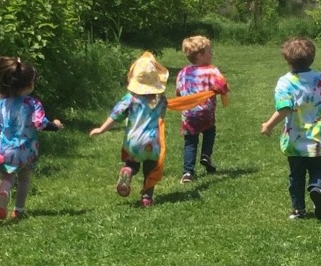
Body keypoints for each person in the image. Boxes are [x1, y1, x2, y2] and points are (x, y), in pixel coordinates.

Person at [260, 37, 321, 221]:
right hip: (319, 139)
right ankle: (317, 188)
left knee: (296, 176)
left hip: (295, 142)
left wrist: (268, 125)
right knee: (319, 170)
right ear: (312, 57)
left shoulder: (285, 82)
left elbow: (284, 108)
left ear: (288, 60)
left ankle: (298, 210)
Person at [89, 51, 169, 207]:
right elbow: (162, 118)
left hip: (132, 141)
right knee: (150, 169)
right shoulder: (161, 100)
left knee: (132, 163)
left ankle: (128, 171)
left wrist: (101, 129)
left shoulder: (130, 99)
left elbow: (115, 115)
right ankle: (147, 197)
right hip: (151, 142)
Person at [0, 56, 63, 220]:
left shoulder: (1, 103)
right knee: (24, 180)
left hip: (6, 148)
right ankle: (18, 210)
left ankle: (3, 193)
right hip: (27, 149)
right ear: (29, 84)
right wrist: (55, 125)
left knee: (7, 177)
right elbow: (40, 124)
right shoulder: (32, 103)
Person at [175, 35, 229, 183]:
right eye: (209, 51)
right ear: (200, 55)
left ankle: (187, 173)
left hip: (188, 114)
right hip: (206, 112)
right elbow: (222, 86)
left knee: (190, 142)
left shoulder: (183, 72)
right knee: (209, 131)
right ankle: (206, 155)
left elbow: (178, 92)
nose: (212, 54)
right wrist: (222, 91)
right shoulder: (211, 70)